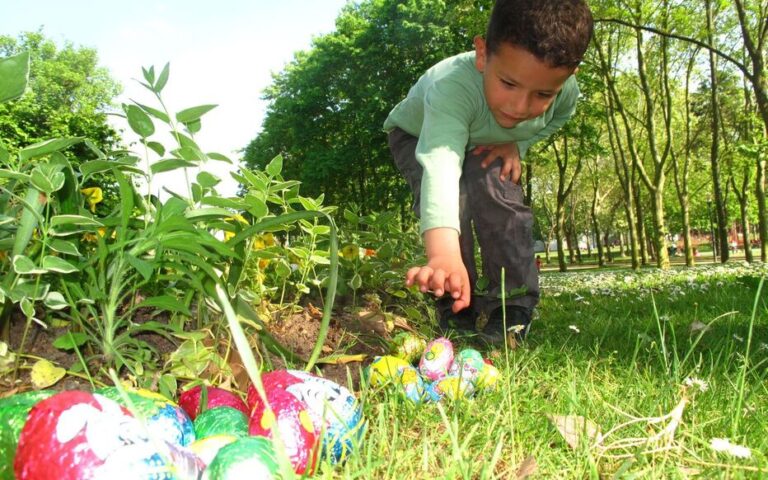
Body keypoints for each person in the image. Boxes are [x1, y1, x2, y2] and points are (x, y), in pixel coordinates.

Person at [384, 0, 593, 345]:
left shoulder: (566, 93)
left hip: (490, 141)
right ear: (482, 54)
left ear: (569, 77)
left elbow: (556, 118)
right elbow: (440, 163)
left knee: (498, 190)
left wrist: (517, 146)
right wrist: (442, 255)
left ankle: (512, 308)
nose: (519, 107)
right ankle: (454, 304)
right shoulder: (452, 88)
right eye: (508, 84)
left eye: (542, 94)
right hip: (421, 135)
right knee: (455, 199)